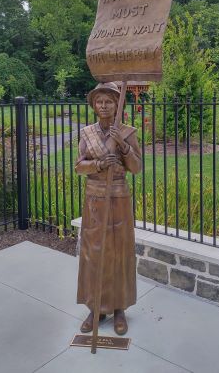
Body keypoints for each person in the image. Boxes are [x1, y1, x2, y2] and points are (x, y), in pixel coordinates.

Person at [75, 82, 141, 336]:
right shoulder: (87, 133)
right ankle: (95, 307)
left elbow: (136, 168)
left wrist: (123, 147)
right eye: (99, 102)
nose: (103, 106)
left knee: (119, 253)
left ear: (117, 105)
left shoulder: (126, 132)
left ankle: (119, 308)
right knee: (94, 254)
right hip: (94, 201)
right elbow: (79, 166)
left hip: (118, 199)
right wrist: (100, 163)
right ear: (93, 105)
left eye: (109, 102)